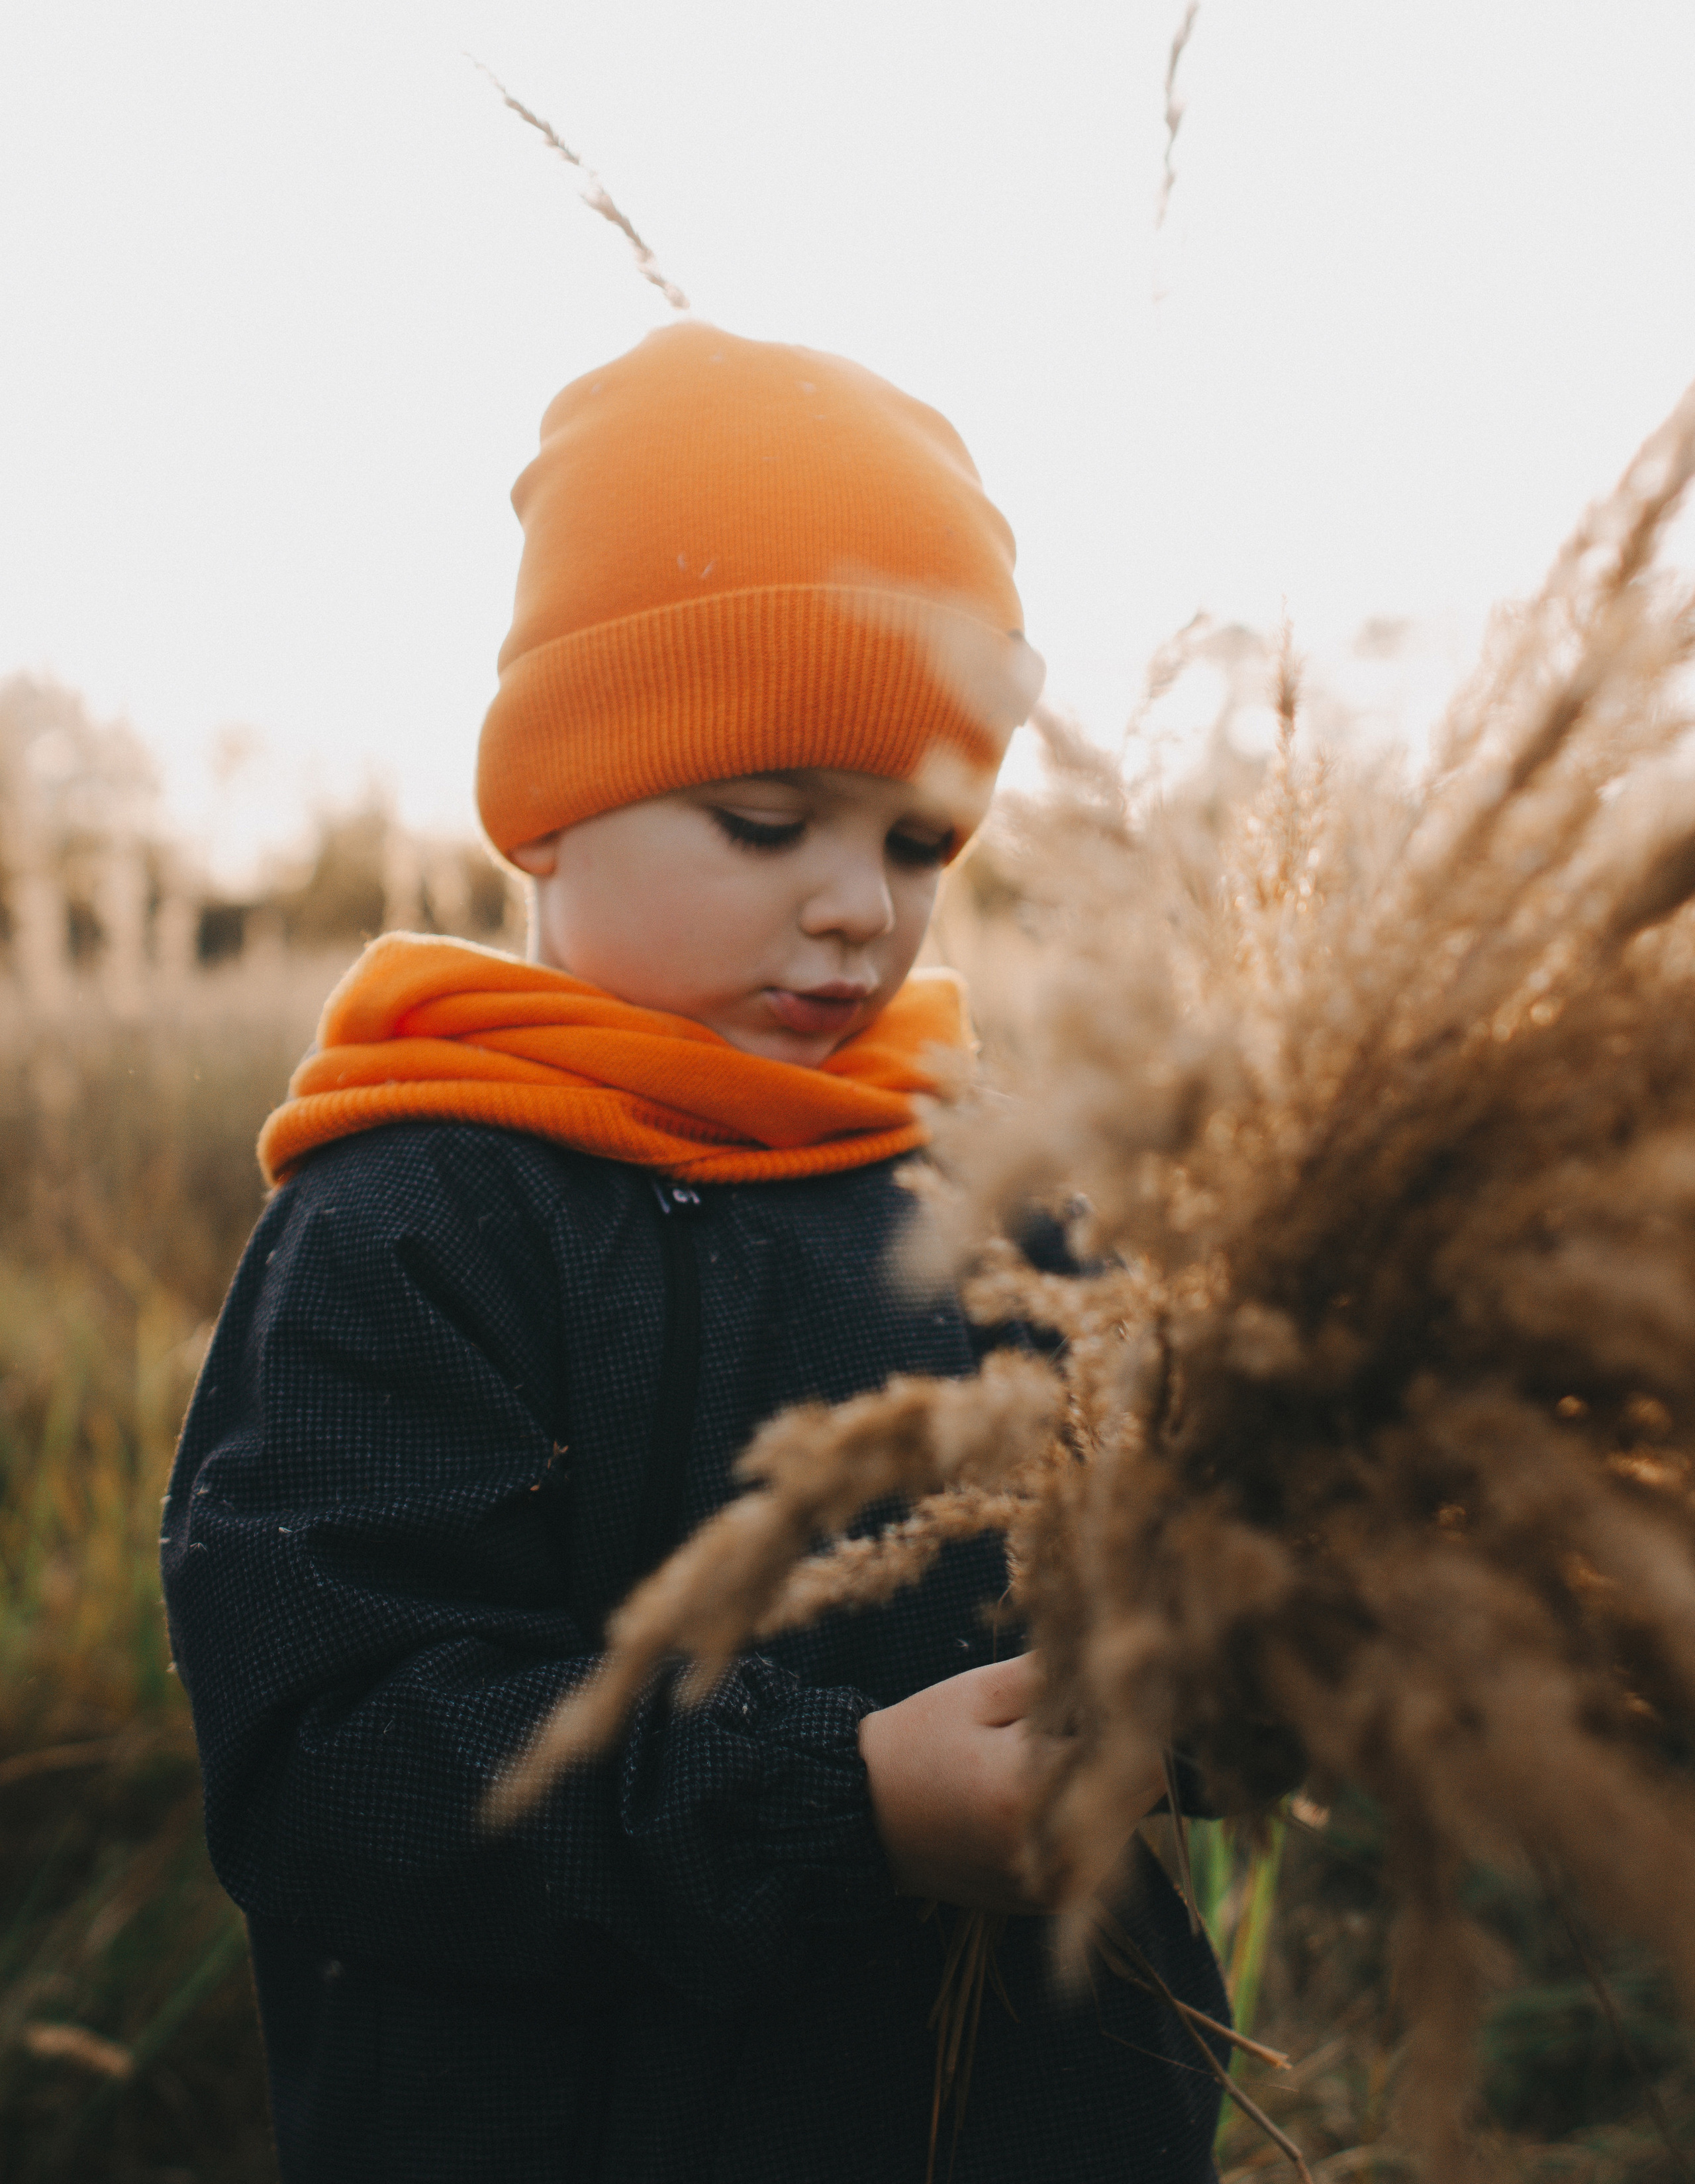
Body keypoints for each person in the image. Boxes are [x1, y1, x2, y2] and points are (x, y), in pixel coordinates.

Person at [162, 323, 1227, 2181]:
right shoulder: (411, 1222)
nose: (860, 905)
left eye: (921, 839)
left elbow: (1153, 1591)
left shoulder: (1006, 1191)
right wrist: (845, 1802)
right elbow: (335, 1764)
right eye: (766, 821)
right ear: (549, 811)